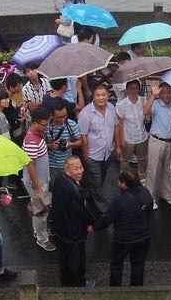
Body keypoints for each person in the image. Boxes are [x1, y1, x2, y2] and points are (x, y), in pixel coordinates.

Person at [91, 169, 153, 287]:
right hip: (143, 237)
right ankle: (136, 289)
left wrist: (94, 227)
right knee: (138, 265)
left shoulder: (119, 201)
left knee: (116, 264)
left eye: (119, 180)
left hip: (123, 239)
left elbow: (107, 219)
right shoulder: (145, 192)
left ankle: (115, 289)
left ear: (124, 184)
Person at [49, 156, 94, 287]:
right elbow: (80, 211)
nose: (80, 171)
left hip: (60, 229)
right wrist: (92, 223)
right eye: (76, 168)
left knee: (64, 257)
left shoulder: (59, 180)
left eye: (81, 167)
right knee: (76, 259)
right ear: (67, 170)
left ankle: (66, 281)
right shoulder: (72, 189)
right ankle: (79, 283)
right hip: (73, 232)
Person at [77, 84, 121, 214]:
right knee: (97, 180)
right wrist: (86, 156)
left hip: (107, 153)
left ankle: (90, 195)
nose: (101, 98)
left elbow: (116, 127)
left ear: (108, 96)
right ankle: (102, 207)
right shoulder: (86, 113)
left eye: (104, 95)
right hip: (93, 155)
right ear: (93, 97)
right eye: (98, 95)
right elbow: (83, 135)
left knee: (101, 178)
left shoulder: (112, 108)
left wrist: (118, 147)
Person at [144, 81, 171, 207]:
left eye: (168, 92)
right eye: (162, 93)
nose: (166, 95)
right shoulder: (156, 104)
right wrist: (153, 95)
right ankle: (150, 198)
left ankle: (166, 194)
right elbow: (145, 111)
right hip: (156, 140)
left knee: (169, 170)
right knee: (153, 170)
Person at [21, 106, 55, 252]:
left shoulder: (36, 135)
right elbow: (30, 166)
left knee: (40, 210)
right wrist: (38, 187)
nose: (47, 127)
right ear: (35, 123)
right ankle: (42, 239)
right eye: (45, 124)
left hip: (41, 180)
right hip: (38, 182)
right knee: (40, 211)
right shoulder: (32, 141)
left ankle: (39, 231)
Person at [115, 80, 150, 180]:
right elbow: (120, 124)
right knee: (125, 160)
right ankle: (123, 179)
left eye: (136, 88)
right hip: (128, 137)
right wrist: (121, 140)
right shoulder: (121, 105)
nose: (133, 90)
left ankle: (142, 177)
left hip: (142, 136)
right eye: (130, 88)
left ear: (139, 89)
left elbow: (148, 114)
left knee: (143, 159)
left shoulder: (143, 100)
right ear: (126, 90)